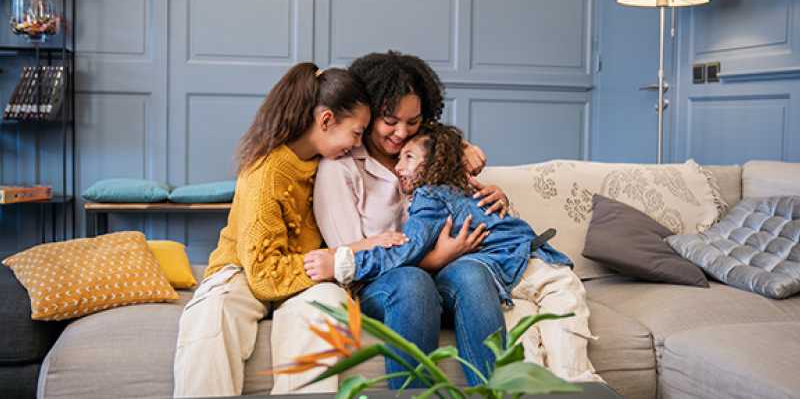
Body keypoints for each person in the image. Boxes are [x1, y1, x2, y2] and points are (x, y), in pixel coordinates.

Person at [309, 123, 602, 383]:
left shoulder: (436, 193)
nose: (399, 165)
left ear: (435, 164)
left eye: (408, 157)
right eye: (391, 122)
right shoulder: (345, 168)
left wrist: (345, 263)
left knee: (538, 348)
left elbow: (410, 246)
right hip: (521, 269)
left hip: (517, 269)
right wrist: (346, 261)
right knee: (559, 353)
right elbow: (411, 249)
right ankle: (575, 384)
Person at [306, 51, 510, 387]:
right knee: (412, 282)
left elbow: (467, 204)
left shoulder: (432, 154)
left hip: (445, 279)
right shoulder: (340, 167)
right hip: (383, 286)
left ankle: (493, 394)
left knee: (472, 273)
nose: (401, 132)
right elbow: (349, 260)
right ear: (368, 112)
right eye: (390, 120)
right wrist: (433, 259)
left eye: (412, 121)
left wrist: (498, 197)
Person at [173, 62, 371, 397]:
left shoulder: (335, 160)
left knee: (325, 309)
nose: (358, 143)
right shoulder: (265, 172)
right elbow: (264, 276)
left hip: (311, 273)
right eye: (356, 132)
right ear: (326, 120)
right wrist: (338, 257)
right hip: (246, 267)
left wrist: (459, 149)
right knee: (213, 314)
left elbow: (407, 145)